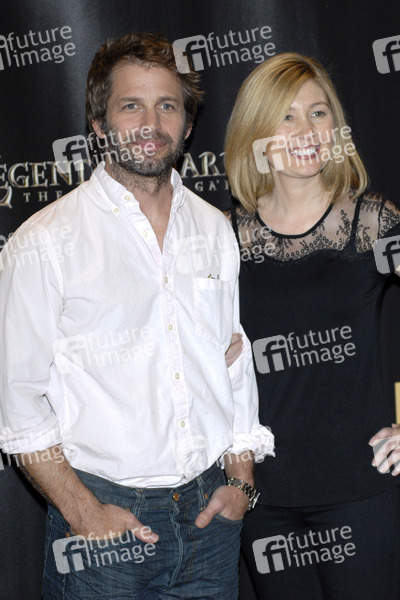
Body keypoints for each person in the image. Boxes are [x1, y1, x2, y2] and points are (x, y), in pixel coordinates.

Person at [0, 32, 274, 600]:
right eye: (131, 106)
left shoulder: (213, 227)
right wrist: (84, 512)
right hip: (103, 526)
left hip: (211, 520)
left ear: (187, 124)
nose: (151, 123)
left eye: (167, 105)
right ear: (98, 125)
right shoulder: (44, 242)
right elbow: (16, 401)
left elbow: (233, 361)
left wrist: (241, 479)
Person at [224, 52, 400, 600]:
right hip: (265, 500)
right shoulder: (222, 237)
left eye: (318, 113)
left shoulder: (373, 222)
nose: (306, 131)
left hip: (362, 489)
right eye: (286, 116)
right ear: (256, 132)